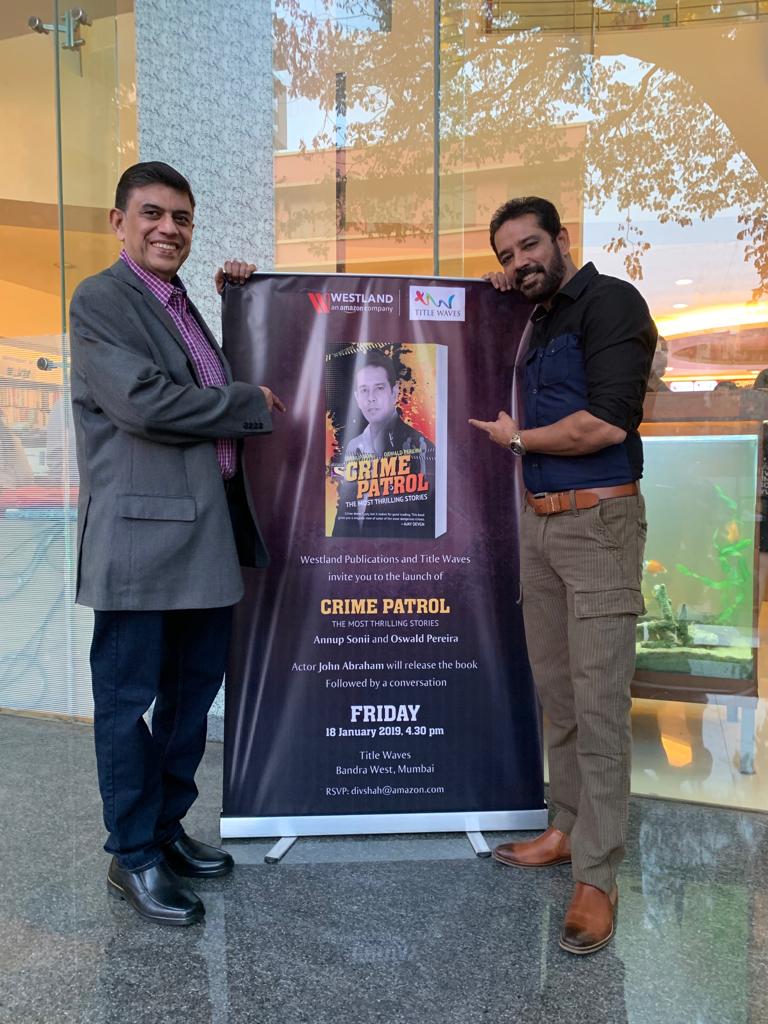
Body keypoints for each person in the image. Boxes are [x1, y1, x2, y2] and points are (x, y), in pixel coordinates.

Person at [69, 161, 285, 927]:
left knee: (189, 702)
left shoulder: (181, 302)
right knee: (128, 705)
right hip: (140, 542)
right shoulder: (102, 298)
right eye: (152, 214)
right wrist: (247, 403)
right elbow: (146, 403)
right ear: (118, 222)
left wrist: (246, 298)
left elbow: (195, 382)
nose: (169, 228)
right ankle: (132, 855)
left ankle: (164, 830)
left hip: (206, 535)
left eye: (182, 218)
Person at [469, 196, 656, 955]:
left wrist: (519, 441)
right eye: (508, 255)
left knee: (600, 701)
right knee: (559, 691)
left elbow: (606, 422)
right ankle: (567, 828)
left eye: (530, 246)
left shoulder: (612, 303)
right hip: (541, 525)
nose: (520, 262)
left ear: (562, 239)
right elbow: (512, 290)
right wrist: (501, 285)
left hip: (599, 524)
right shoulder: (537, 317)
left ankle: (598, 877)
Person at [332, 351, 435, 537]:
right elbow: (344, 512)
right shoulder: (354, 447)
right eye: (364, 390)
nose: (370, 397)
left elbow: (429, 519)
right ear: (357, 397)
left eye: (379, 388)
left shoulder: (420, 446)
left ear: (394, 392)